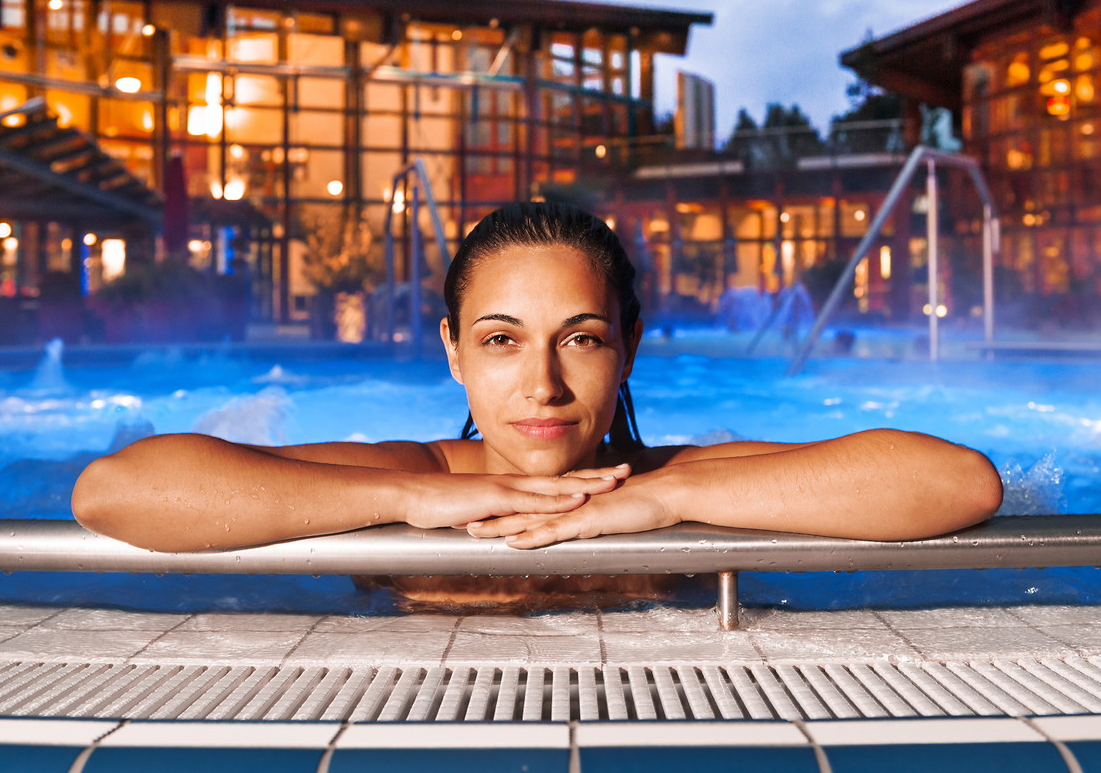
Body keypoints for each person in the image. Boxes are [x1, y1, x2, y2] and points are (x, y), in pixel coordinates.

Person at [72, 202, 1002, 604]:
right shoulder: (414, 475)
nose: (544, 385)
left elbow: (955, 482)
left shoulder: (677, 479)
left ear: (628, 348)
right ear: (454, 356)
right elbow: (120, 490)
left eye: (583, 338)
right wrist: (405, 504)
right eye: (501, 339)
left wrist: (663, 503)